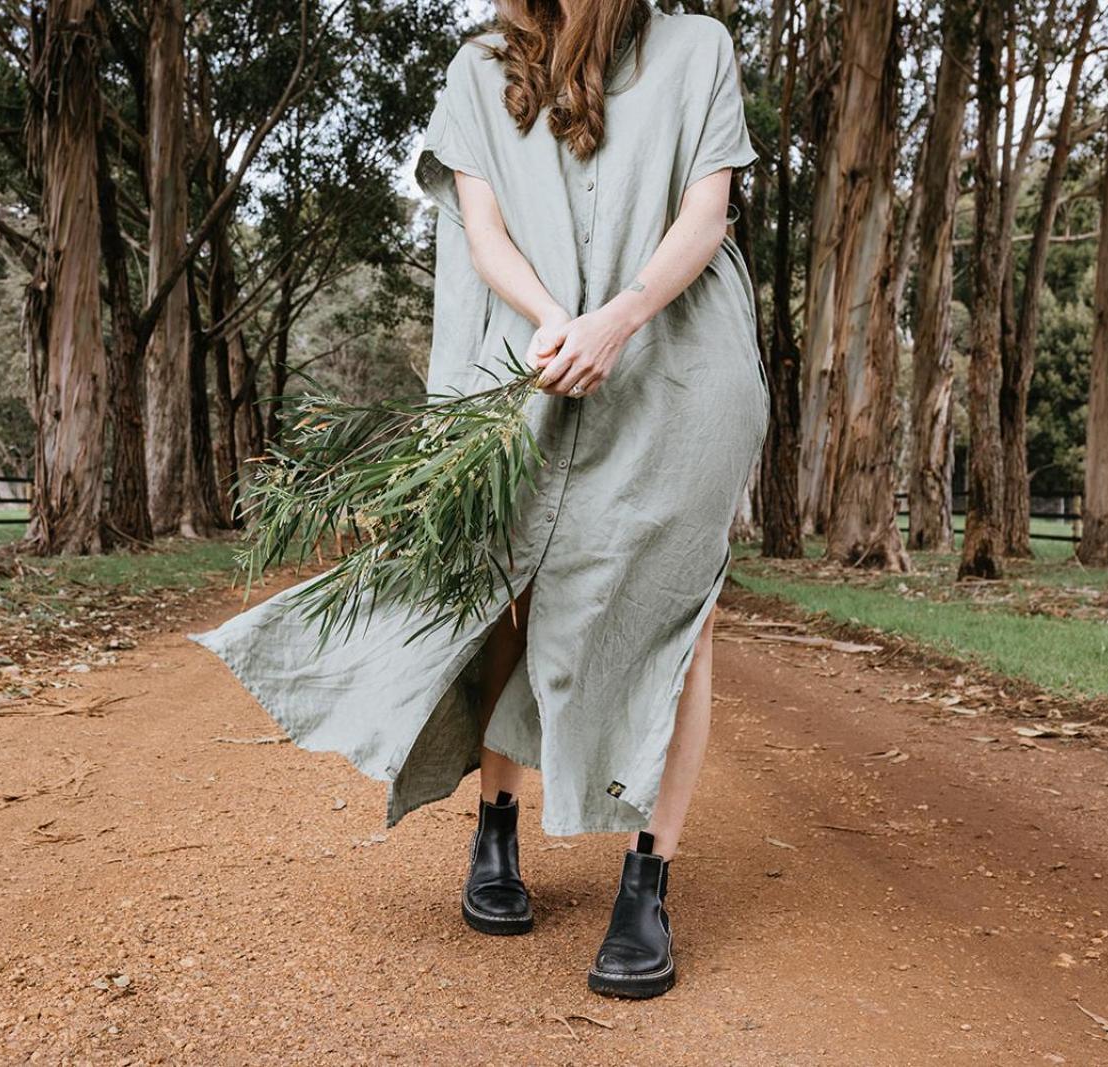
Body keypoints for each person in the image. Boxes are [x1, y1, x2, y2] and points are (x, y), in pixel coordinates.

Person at [190, 0, 767, 1000]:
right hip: (524, 363)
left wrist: (621, 318)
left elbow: (705, 214)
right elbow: (482, 227)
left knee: (679, 615)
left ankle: (647, 878)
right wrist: (555, 320)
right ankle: (493, 829)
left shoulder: (698, 48)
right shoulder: (481, 63)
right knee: (509, 588)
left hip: (676, 365)